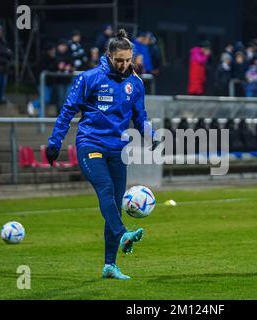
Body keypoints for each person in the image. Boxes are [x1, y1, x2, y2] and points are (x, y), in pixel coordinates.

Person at [45, 29, 156, 280]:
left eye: (128, 60)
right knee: (105, 189)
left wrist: (151, 134)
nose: (124, 64)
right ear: (108, 55)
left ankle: (109, 265)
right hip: (90, 145)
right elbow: (67, 110)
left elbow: (141, 117)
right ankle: (124, 233)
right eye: (119, 60)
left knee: (115, 204)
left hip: (117, 150)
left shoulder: (136, 83)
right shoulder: (89, 78)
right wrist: (54, 142)